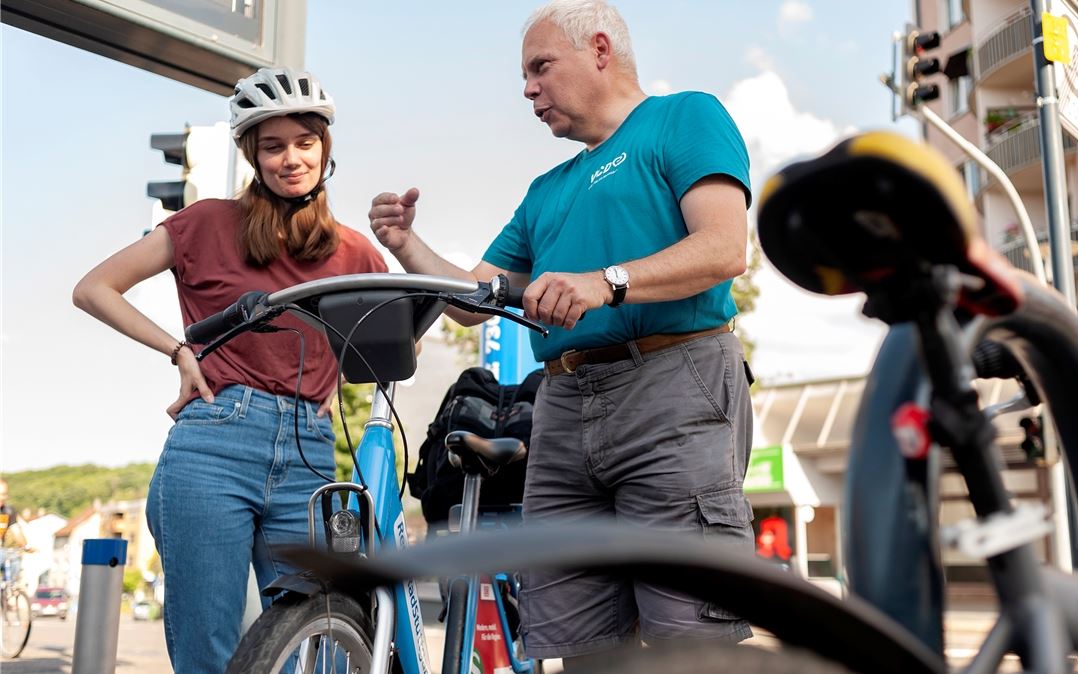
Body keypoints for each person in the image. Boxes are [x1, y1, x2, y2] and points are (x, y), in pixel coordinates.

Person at [369, 0, 754, 663]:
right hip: (563, 406)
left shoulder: (684, 117)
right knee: (581, 645)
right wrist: (407, 245)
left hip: (673, 385)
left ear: (599, 50)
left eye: (540, 67)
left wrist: (606, 282)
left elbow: (724, 248)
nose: (528, 89)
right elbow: (473, 301)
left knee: (689, 641)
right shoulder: (546, 190)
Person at [73, 67, 389, 674]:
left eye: (305, 142)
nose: (291, 158)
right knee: (209, 651)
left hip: (309, 450)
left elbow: (390, 341)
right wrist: (178, 350)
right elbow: (94, 288)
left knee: (310, 643)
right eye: (273, 146)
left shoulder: (354, 250)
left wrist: (335, 375)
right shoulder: (204, 222)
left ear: (325, 147)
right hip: (215, 442)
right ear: (253, 156)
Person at [0, 477, 30, 585]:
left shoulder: (8, 511)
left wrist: (25, 546)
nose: (1, 497)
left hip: (2, 551)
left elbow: (16, 531)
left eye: (4, 494)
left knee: (14, 556)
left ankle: (10, 588)